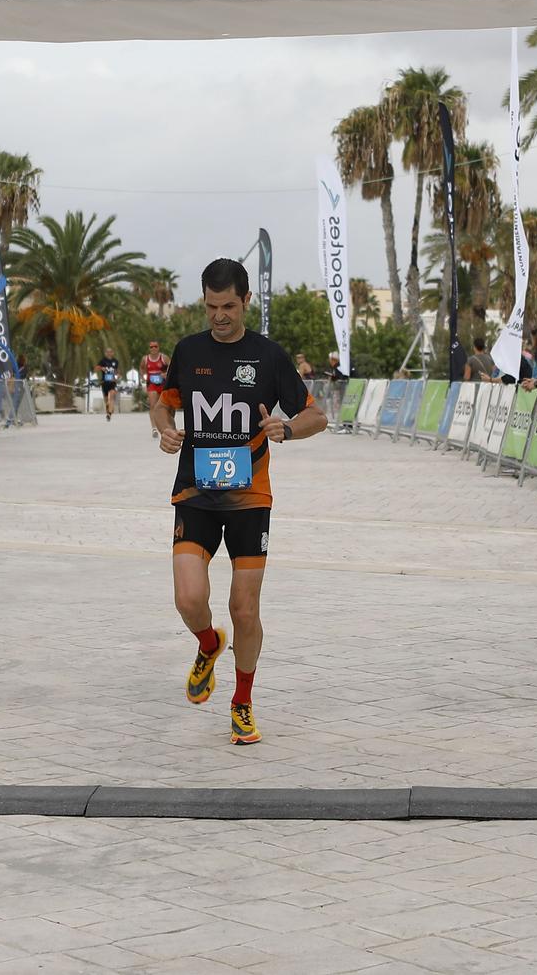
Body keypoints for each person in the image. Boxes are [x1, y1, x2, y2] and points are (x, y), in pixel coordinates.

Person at [152, 259, 325, 747]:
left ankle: (242, 702)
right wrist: (164, 428)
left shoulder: (268, 357)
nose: (219, 316)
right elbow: (164, 402)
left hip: (250, 498)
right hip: (195, 493)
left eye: (228, 306)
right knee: (189, 599)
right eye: (211, 306)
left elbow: (318, 416)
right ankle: (209, 644)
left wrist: (286, 428)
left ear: (246, 300)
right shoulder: (188, 351)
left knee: (244, 608)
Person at [142, 340, 170, 438]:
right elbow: (142, 369)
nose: (153, 348)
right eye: (151, 347)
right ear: (149, 349)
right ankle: (154, 428)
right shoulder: (145, 359)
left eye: (155, 346)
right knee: (153, 405)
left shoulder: (164, 358)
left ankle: (164, 425)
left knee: (163, 405)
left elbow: (172, 367)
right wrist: (144, 377)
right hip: (152, 384)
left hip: (162, 384)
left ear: (158, 347)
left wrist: (165, 374)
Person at [95, 348, 121, 420]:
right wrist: (101, 368)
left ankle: (109, 414)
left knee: (112, 395)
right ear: (105, 353)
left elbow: (117, 371)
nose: (109, 353)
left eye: (110, 352)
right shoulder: (103, 361)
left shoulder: (115, 361)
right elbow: (96, 368)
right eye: (107, 352)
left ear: (113, 353)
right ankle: (108, 406)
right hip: (104, 382)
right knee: (106, 399)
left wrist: (117, 376)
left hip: (112, 382)